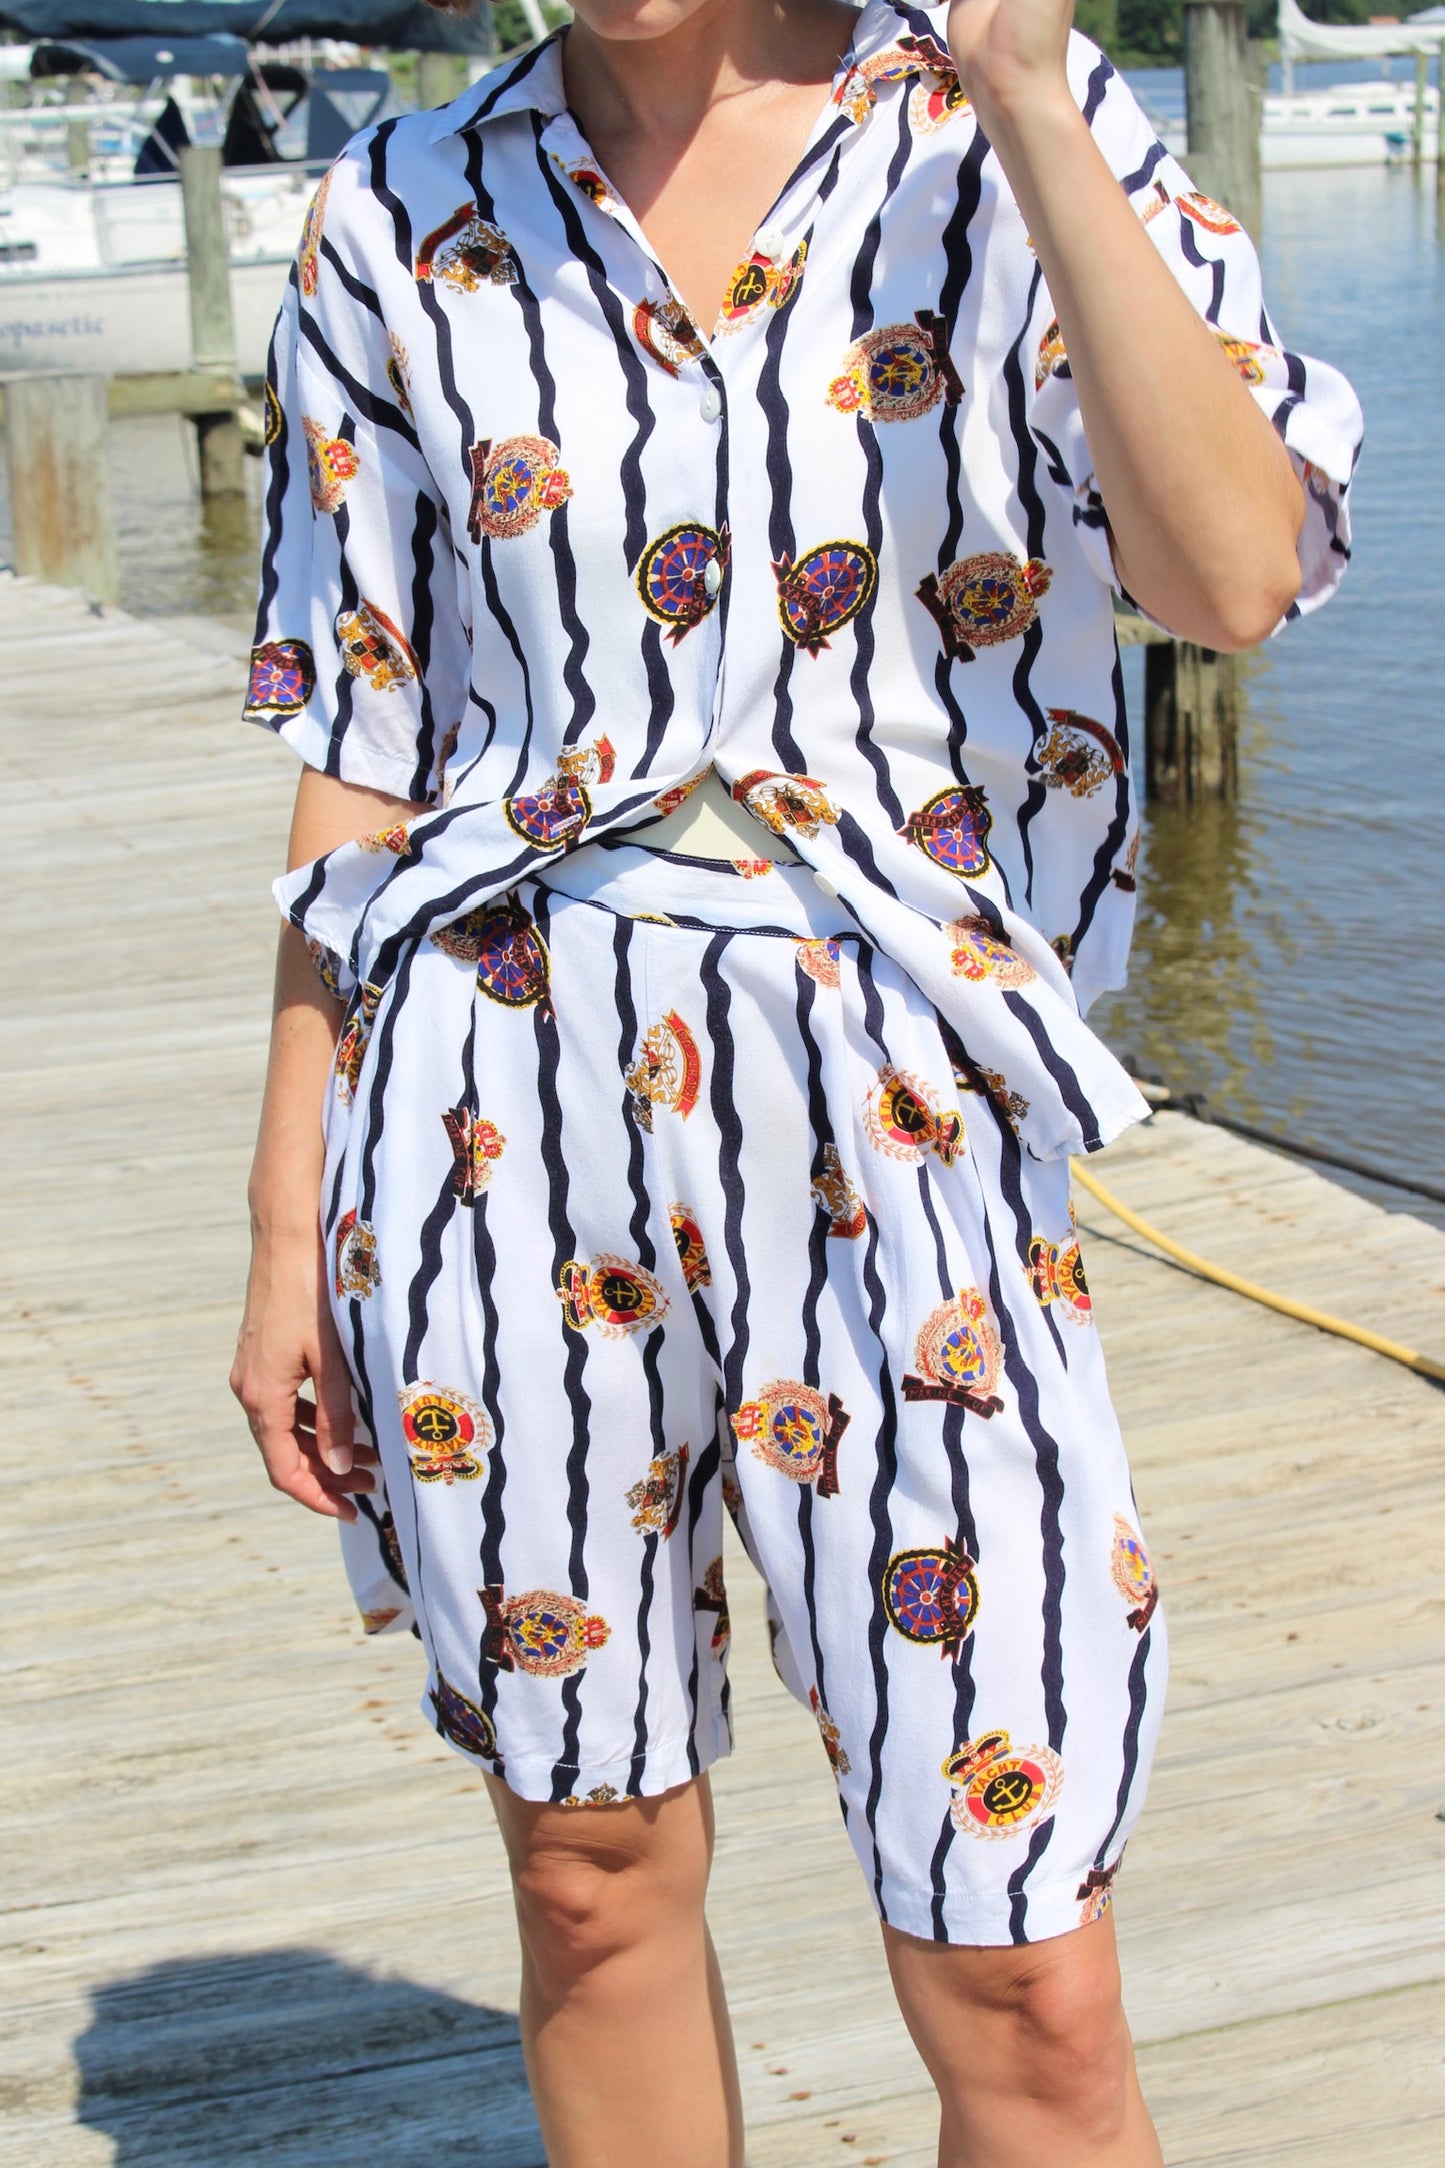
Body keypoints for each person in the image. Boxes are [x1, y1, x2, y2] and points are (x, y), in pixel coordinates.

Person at [230, 2, 1361, 2160]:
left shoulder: (995, 124)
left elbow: (1231, 577)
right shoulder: (396, 206)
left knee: (1027, 1969)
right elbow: (362, 749)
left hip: (905, 1101)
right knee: (586, 1874)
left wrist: (1026, 93)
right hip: (488, 1107)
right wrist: (286, 1221)